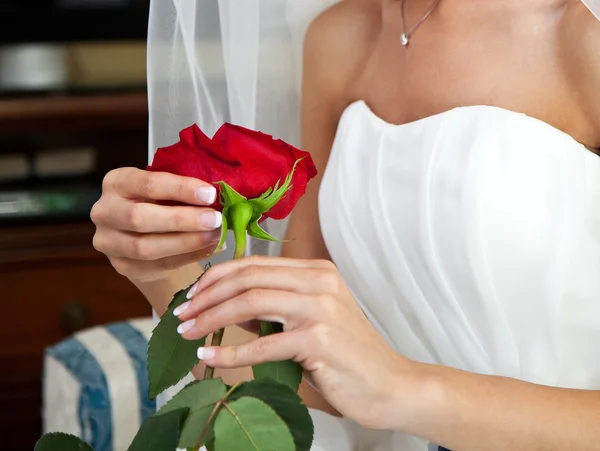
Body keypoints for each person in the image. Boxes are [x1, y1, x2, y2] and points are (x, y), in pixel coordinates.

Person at [91, 0, 600, 449]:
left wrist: (402, 388)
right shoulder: (340, 37)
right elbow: (300, 390)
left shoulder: (583, 33)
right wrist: (163, 275)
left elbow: (377, 387)